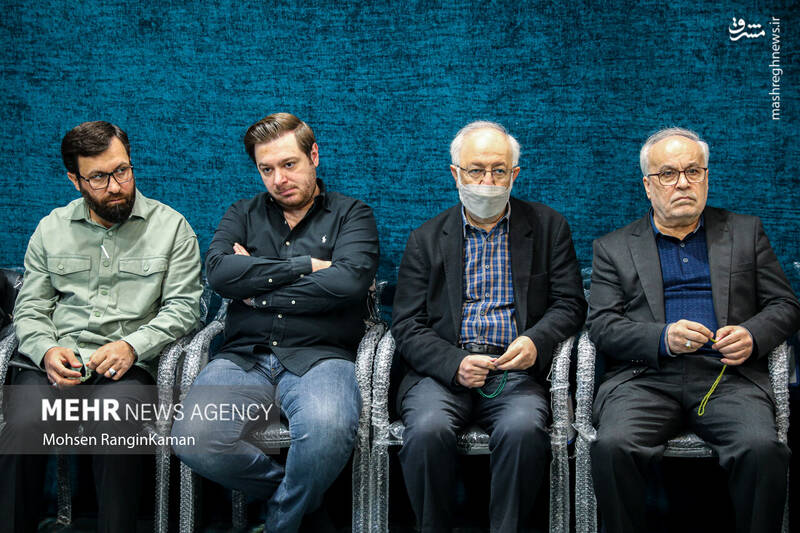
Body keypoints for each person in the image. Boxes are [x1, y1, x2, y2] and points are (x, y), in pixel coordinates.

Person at [171, 112, 379, 532]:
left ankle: (281, 521)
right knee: (194, 437)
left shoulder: (352, 215)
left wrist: (256, 287)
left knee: (327, 430)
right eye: (267, 169)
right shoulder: (242, 213)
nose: (279, 179)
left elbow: (349, 282)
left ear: (313, 156)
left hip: (321, 356)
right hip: (243, 356)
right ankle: (302, 505)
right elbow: (219, 274)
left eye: (289, 164)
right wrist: (307, 265)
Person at [588, 127, 800, 533]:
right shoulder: (613, 247)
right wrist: (661, 338)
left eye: (693, 171)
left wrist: (753, 335)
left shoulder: (745, 232)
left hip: (728, 378)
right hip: (644, 379)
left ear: (706, 177)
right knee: (613, 447)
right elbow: (601, 325)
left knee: (762, 449)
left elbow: (785, 305)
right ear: (647, 185)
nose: (683, 183)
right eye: (668, 174)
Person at [0, 120, 203, 533]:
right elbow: (31, 307)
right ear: (74, 180)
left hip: (127, 367)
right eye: (98, 177)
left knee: (113, 424)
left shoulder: (171, 228)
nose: (115, 186)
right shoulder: (51, 229)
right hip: (55, 363)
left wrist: (133, 345)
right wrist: (45, 350)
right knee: (23, 424)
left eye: (122, 170)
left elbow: (185, 308)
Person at [391, 120, 587, 532]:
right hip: (441, 374)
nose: (487, 182)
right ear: (455, 174)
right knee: (426, 431)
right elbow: (406, 323)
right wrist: (454, 363)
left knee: (523, 430)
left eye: (499, 171)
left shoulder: (549, 228)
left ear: (515, 174)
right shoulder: (425, 239)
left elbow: (570, 303)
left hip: (515, 373)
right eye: (476, 170)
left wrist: (535, 341)